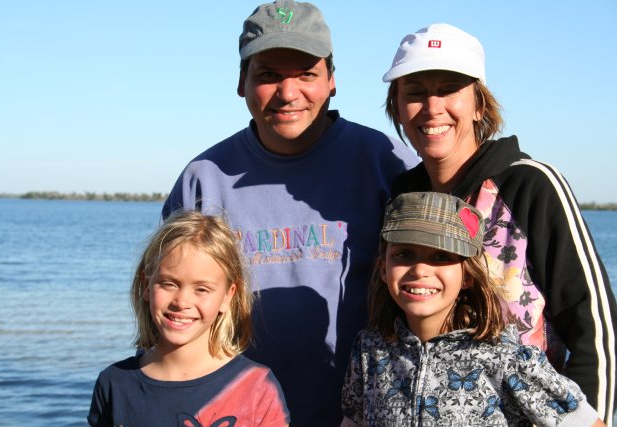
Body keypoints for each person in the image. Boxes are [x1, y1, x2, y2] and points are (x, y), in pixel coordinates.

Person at [161, 1, 419, 425]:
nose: (287, 93)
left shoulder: (386, 163)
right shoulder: (202, 180)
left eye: (306, 74)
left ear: (331, 80)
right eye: (268, 75)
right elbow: (168, 316)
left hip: (367, 415)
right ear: (241, 82)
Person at [382, 23, 617, 423]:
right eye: (415, 92)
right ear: (398, 107)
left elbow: (593, 324)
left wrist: (592, 416)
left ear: (479, 105)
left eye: (450, 89)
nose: (432, 107)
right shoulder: (403, 198)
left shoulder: (530, 184)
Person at [341, 191, 605, 426]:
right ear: (383, 268)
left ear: (467, 275)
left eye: (441, 256)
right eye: (404, 254)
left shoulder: (507, 358)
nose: (420, 270)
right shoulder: (369, 350)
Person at [87, 211, 290, 426]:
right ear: (146, 285)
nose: (181, 302)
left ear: (227, 296)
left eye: (202, 289)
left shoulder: (257, 388)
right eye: (168, 284)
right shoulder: (113, 384)